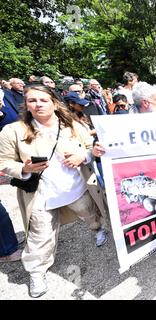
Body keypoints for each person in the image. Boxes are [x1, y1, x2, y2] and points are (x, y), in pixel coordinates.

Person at [0, 85, 108, 298]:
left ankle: (98, 230)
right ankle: (37, 272)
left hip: (76, 187)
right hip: (40, 194)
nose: (38, 104)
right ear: (26, 105)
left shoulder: (73, 125)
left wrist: (84, 156)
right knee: (40, 236)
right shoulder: (13, 131)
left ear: (54, 103)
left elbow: (91, 147)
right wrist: (24, 168)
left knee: (91, 214)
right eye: (32, 100)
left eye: (43, 100)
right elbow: (3, 161)